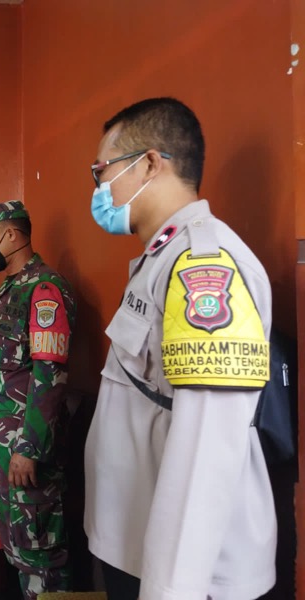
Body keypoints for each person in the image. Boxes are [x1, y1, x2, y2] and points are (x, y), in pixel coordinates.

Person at [83, 97, 275, 600]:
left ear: (150, 162)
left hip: (184, 570)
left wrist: (172, 588)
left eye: (102, 170)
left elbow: (207, 445)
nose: (100, 188)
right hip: (135, 541)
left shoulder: (202, 266)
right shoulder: (161, 258)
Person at [0, 201, 77, 598]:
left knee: (41, 559)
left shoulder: (45, 290)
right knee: (19, 553)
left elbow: (49, 375)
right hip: (4, 451)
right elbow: (18, 360)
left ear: (11, 235)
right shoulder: (13, 291)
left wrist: (28, 447)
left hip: (27, 452)